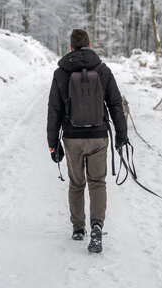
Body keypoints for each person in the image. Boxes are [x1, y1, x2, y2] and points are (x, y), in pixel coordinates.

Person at [47, 29, 128, 253]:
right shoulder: (102, 70)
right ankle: (97, 226)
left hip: (72, 138)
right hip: (98, 137)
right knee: (97, 183)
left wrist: (53, 143)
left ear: (70, 47)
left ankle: (78, 228)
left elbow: (54, 110)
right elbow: (115, 104)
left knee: (76, 183)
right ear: (89, 44)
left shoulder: (61, 73)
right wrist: (121, 135)